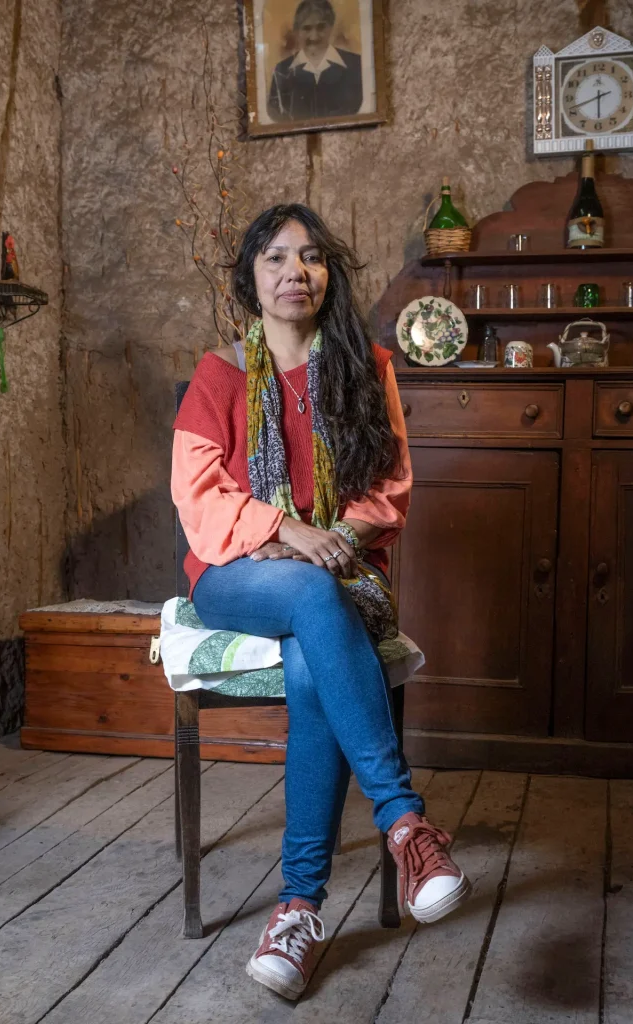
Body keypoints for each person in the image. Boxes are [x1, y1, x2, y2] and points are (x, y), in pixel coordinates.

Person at [171, 203, 471, 1001]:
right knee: (310, 589)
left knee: (312, 657)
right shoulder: (218, 373)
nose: (293, 272)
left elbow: (389, 487)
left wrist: (326, 538)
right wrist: (287, 533)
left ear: (328, 274)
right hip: (235, 571)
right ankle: (404, 822)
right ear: (250, 278)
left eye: (309, 257)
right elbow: (198, 499)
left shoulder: (366, 367)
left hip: (335, 568)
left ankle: (296, 911)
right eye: (274, 257)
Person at [267, 0, 363, 122]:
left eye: (321, 27)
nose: (314, 36)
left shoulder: (356, 65)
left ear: (331, 27)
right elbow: (275, 119)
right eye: (306, 29)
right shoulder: (281, 71)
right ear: (297, 31)